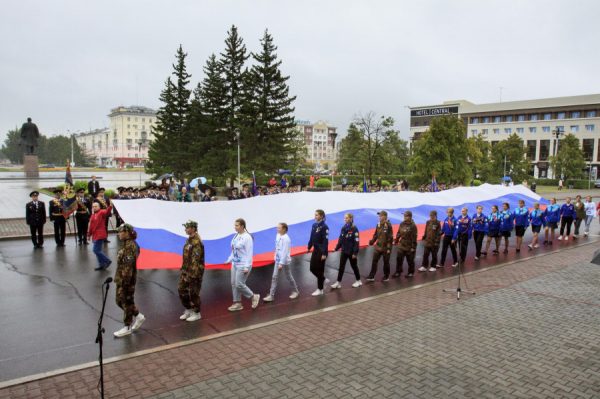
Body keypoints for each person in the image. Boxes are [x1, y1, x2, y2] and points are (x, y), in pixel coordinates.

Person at [113, 224, 146, 337]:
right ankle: (138, 316)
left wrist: (123, 285)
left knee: (125, 302)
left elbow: (127, 268)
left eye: (120, 231)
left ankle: (127, 327)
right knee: (121, 301)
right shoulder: (125, 244)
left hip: (126, 281)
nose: (118, 233)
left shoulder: (129, 247)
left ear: (127, 233)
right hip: (121, 279)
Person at [225, 218, 260, 311]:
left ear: (242, 226)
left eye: (237, 225)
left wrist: (246, 266)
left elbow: (249, 253)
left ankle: (253, 296)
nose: (235, 227)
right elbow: (234, 250)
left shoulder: (247, 237)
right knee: (233, 283)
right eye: (235, 225)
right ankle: (237, 303)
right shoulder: (236, 236)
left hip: (243, 264)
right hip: (235, 264)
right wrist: (229, 260)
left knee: (239, 284)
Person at [264, 223, 299, 301]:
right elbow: (277, 248)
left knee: (288, 275)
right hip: (278, 260)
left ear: (284, 229)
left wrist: (281, 263)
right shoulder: (278, 236)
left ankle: (296, 290)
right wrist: (275, 257)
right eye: (278, 228)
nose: (277, 229)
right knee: (274, 277)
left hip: (285, 261)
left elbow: (285, 252)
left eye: (279, 228)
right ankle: (271, 295)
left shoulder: (286, 239)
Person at [178, 220, 205, 322]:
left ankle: (196, 312)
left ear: (193, 228)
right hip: (186, 270)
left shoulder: (196, 242)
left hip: (194, 272)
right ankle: (188, 309)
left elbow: (195, 260)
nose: (185, 229)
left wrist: (189, 274)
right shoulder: (189, 240)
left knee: (194, 292)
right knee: (181, 289)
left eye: (187, 227)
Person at [332, 213, 362, 288]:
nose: (345, 219)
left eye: (347, 218)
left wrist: (355, 253)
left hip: (351, 252)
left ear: (351, 218)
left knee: (354, 266)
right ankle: (338, 282)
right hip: (344, 251)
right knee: (341, 267)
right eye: (345, 218)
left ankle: (358, 280)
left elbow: (356, 242)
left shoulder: (354, 229)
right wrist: (336, 248)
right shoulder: (343, 228)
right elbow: (341, 240)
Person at [307, 209, 330, 295]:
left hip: (321, 250)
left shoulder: (324, 227)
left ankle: (320, 289)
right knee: (312, 268)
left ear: (321, 216)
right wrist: (309, 247)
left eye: (317, 215)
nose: (315, 216)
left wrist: (324, 253)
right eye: (315, 215)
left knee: (319, 269)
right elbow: (311, 237)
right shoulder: (314, 225)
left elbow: (325, 241)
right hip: (315, 249)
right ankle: (324, 279)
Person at [366, 210, 393, 281]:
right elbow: (375, 235)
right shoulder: (378, 225)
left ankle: (386, 276)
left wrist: (389, 248)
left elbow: (390, 238)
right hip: (378, 247)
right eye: (379, 216)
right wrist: (371, 242)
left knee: (386, 262)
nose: (379, 217)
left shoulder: (388, 226)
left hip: (385, 248)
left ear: (385, 217)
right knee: (374, 261)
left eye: (381, 216)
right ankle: (372, 275)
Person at [88, 202, 112, 271]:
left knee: (95, 250)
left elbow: (107, 212)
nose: (94, 208)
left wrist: (110, 206)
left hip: (100, 234)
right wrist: (88, 235)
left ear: (99, 207)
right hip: (95, 235)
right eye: (93, 206)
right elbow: (91, 226)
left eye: (96, 206)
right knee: (98, 250)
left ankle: (107, 261)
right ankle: (101, 265)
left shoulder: (101, 212)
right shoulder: (92, 215)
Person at [393, 210, 418, 277]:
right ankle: (398, 271)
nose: (404, 217)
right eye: (404, 216)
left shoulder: (413, 226)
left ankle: (411, 272)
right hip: (402, 244)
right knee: (399, 258)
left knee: (410, 260)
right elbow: (399, 233)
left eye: (406, 216)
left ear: (409, 217)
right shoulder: (402, 224)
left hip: (409, 245)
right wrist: (396, 240)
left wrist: (413, 247)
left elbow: (414, 237)